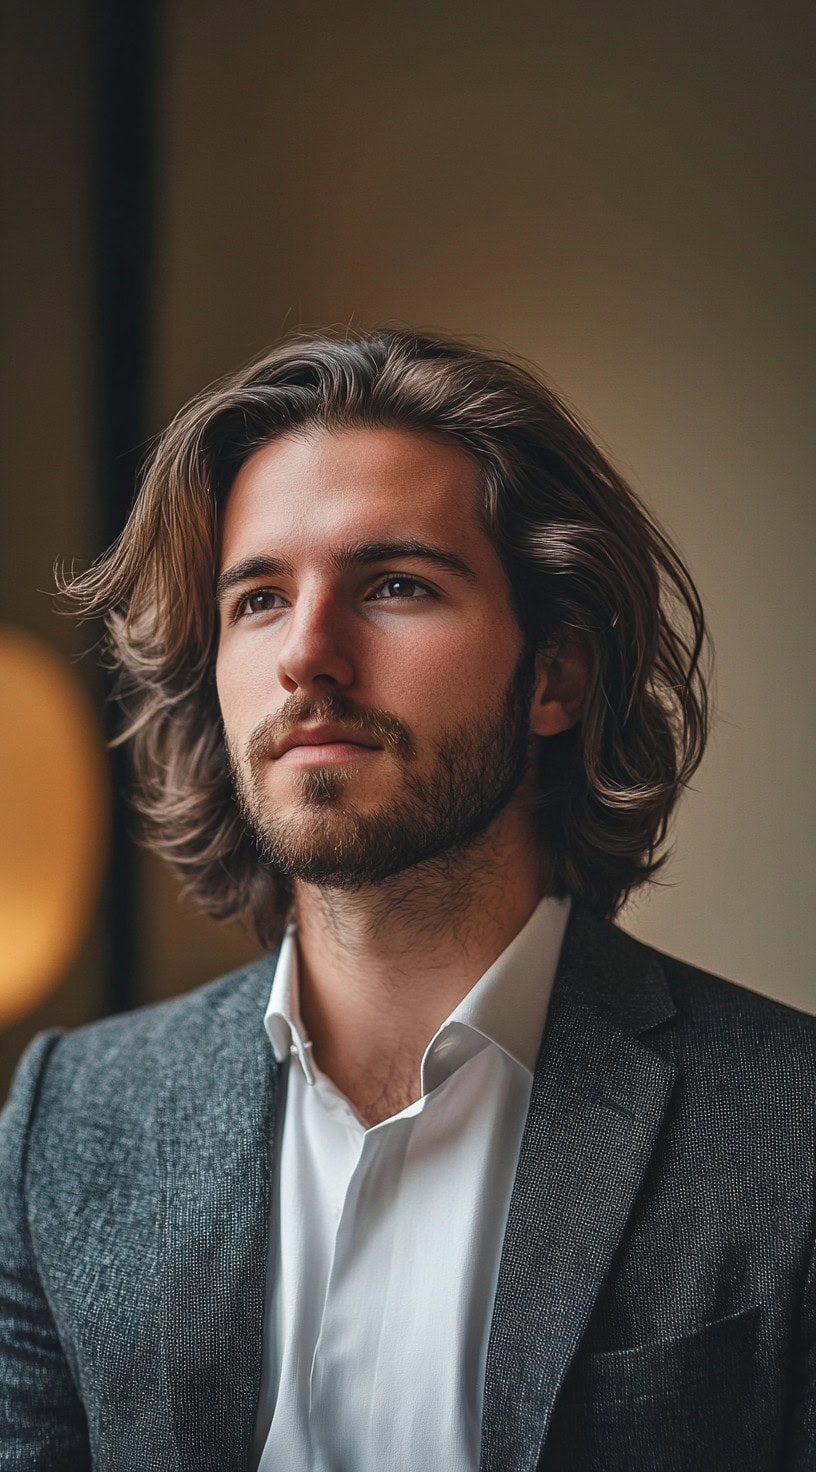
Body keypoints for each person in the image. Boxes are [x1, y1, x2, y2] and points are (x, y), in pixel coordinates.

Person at [0, 328, 813, 1472]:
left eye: (394, 584)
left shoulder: (792, 1130)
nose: (309, 653)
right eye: (260, 598)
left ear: (554, 675)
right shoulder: (68, 1126)